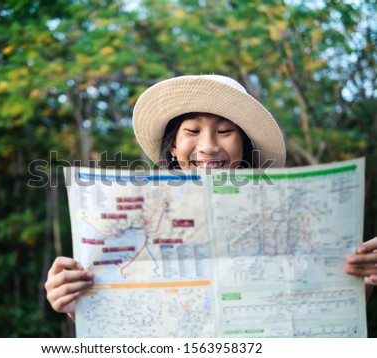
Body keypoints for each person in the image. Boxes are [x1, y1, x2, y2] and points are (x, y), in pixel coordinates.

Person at [45, 74, 377, 322]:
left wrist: (359, 284)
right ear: (173, 147)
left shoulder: (289, 218)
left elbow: (314, 318)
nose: (208, 146)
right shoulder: (134, 223)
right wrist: (77, 304)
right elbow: (126, 325)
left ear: (245, 145)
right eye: (191, 131)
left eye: (225, 131)